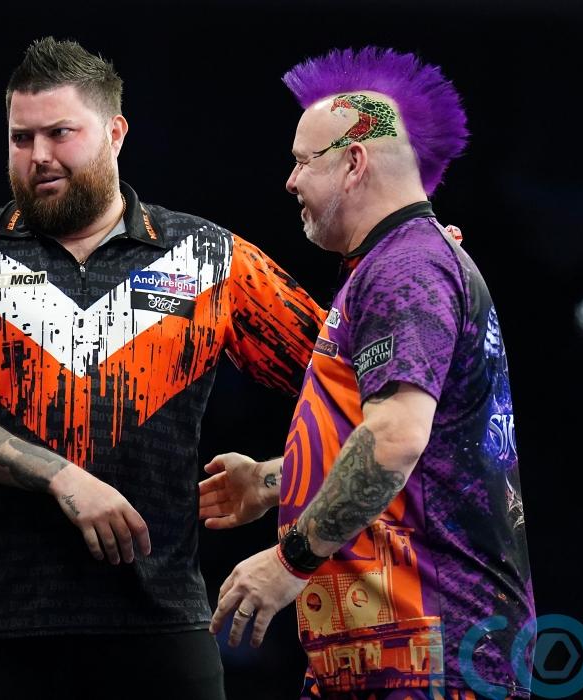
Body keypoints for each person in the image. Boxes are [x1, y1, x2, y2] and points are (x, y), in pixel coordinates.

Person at [0, 37, 323, 699]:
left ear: (115, 133)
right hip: (1, 629)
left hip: (163, 625)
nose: (38, 156)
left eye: (60, 133)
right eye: (21, 138)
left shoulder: (208, 257)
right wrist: (61, 477)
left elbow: (354, 390)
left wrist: (275, 477)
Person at [200, 47, 534, 700]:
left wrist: (290, 561)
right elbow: (411, 448)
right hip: (389, 660)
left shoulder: (407, 269)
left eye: (303, 161)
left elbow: (395, 439)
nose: (289, 181)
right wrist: (273, 480)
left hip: (432, 660)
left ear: (354, 163)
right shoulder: (397, 266)